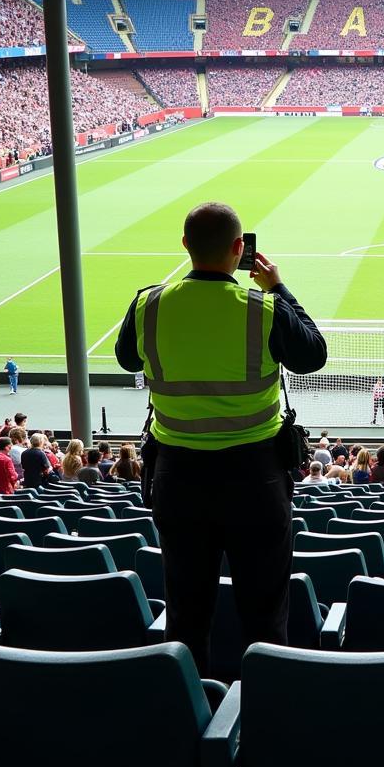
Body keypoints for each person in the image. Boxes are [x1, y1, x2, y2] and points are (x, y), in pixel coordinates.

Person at [114, 201, 327, 673]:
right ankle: (265, 717)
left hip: (177, 477)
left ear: (185, 245)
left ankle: (190, 718)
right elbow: (313, 354)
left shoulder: (148, 305)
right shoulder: (264, 309)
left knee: (186, 615)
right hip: (257, 480)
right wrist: (279, 288)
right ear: (240, 250)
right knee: (266, 615)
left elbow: (128, 359)